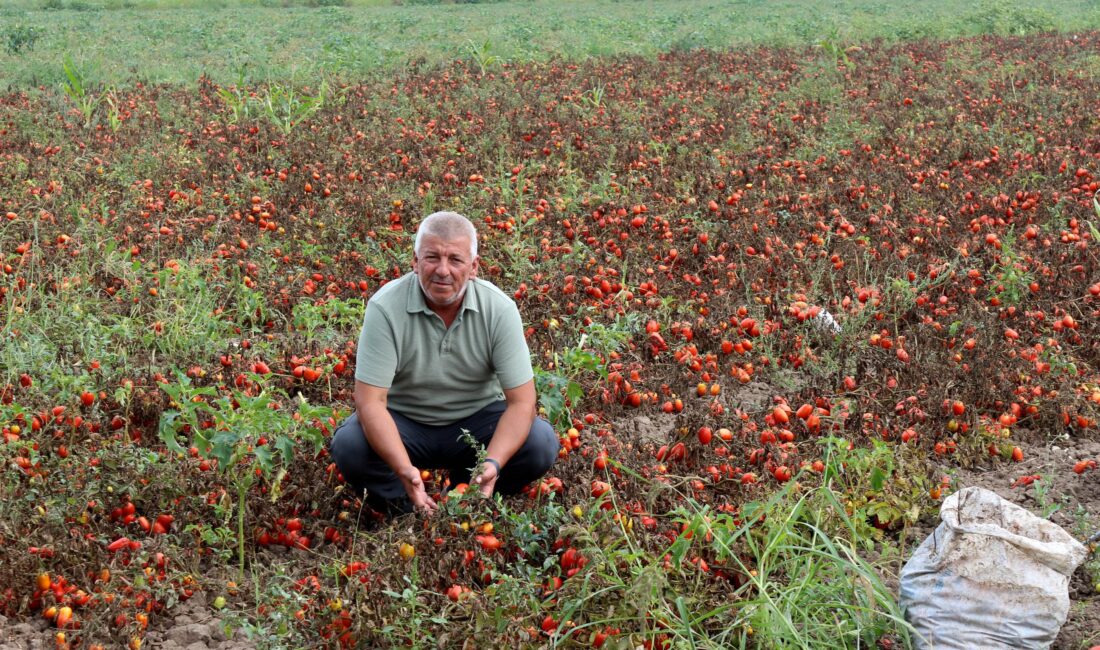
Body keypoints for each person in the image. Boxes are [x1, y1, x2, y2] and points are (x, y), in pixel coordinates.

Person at [329, 211, 559, 516]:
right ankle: (408, 508)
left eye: (455, 260)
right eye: (432, 257)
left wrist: (491, 463)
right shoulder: (385, 307)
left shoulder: (499, 309)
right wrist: (404, 469)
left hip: (477, 423)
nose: (442, 270)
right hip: (405, 424)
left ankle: (467, 493)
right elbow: (370, 402)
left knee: (540, 443)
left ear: (474, 267)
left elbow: (522, 402)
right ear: (415, 261)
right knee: (350, 445)